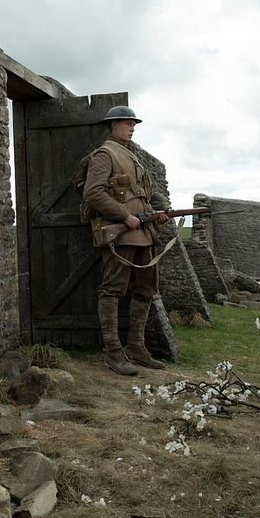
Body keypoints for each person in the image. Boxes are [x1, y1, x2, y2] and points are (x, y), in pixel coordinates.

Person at [82, 105, 170, 375]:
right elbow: (93, 193)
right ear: (113, 125)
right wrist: (124, 216)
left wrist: (161, 211)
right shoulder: (105, 155)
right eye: (127, 123)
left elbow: (150, 194)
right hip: (120, 234)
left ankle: (136, 347)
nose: (132, 127)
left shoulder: (133, 157)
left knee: (145, 289)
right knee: (112, 290)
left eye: (133, 124)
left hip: (144, 234)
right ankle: (113, 352)